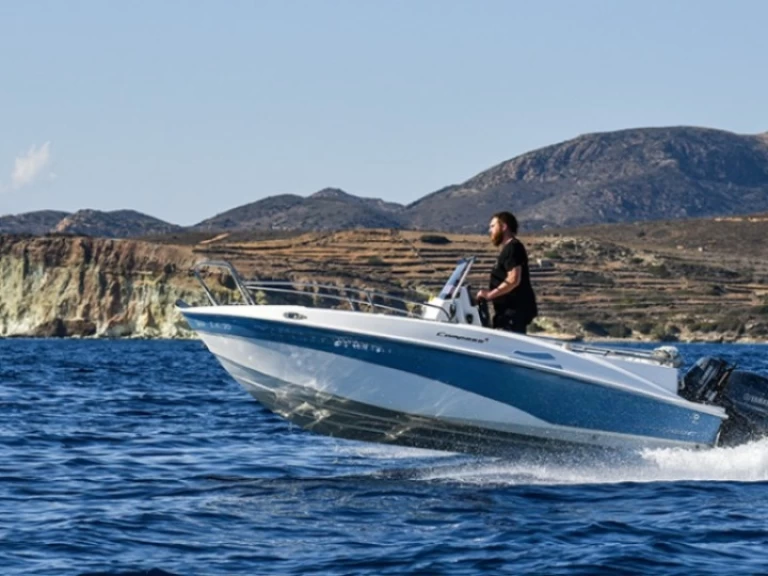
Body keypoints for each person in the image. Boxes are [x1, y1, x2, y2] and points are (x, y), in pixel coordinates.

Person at [476, 211, 538, 334]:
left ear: (504, 227)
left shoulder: (513, 247)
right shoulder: (508, 249)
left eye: (493, 226)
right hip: (505, 313)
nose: (490, 230)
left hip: (512, 314)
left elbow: (513, 279)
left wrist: (490, 295)